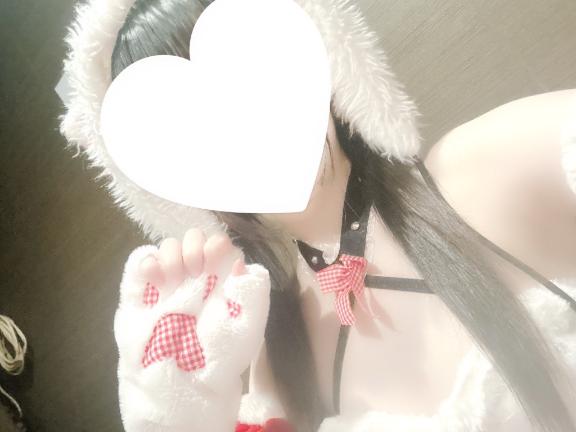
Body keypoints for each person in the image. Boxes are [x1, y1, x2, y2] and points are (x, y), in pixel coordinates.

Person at [59, 0, 576, 430]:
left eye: (253, 70)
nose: (240, 128)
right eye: (188, 128)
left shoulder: (485, 169)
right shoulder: (275, 360)